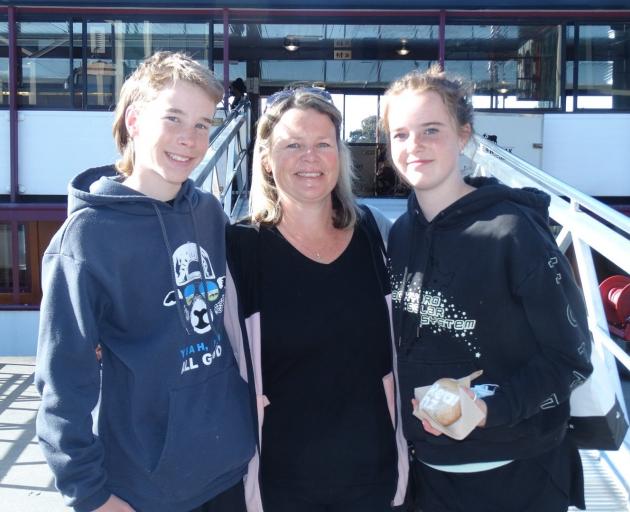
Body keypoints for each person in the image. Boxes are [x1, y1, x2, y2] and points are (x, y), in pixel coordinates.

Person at [35, 51, 256, 512]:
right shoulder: (86, 239)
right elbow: (62, 385)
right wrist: (90, 494)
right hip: (146, 491)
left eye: (202, 124)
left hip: (228, 469)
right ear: (134, 120)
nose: (190, 139)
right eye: (173, 118)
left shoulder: (209, 212)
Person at [381, 66, 594, 512]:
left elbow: (571, 360)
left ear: (464, 136)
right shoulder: (400, 235)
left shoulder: (514, 232)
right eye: (399, 134)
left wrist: (487, 409)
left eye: (431, 130)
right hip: (430, 475)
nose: (414, 145)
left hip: (519, 475)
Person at [226, 87, 409, 512]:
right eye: (293, 145)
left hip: (375, 478)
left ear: (339, 156)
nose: (310, 156)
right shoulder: (238, 249)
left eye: (323, 144)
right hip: (281, 485)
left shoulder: (374, 235)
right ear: (268, 160)